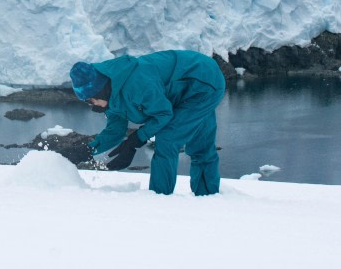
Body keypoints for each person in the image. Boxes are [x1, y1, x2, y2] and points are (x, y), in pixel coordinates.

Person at [70, 50, 226, 196]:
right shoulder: (111, 94)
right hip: (185, 88)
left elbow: (163, 114)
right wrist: (88, 150)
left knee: (168, 139)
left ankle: (160, 197)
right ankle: (207, 196)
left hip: (203, 83)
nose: (91, 106)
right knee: (200, 145)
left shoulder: (137, 84)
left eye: (89, 100)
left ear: (99, 91)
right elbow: (115, 130)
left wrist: (136, 139)